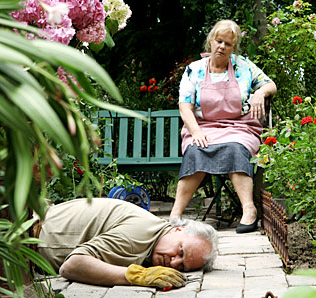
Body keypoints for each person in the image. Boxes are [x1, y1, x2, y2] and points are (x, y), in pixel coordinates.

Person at [169, 20, 277, 234]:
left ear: (233, 48)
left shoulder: (243, 65)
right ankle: (175, 214)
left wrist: (259, 93)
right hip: (203, 127)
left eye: (228, 44)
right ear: (211, 40)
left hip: (240, 127)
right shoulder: (194, 70)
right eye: (219, 41)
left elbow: (270, 84)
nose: (222, 47)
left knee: (235, 148)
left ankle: (249, 210)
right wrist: (196, 132)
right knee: (195, 150)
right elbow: (185, 107)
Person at [36, 198, 218, 288]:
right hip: (23, 230)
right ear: (178, 229)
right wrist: (137, 276)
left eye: (183, 268)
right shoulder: (140, 234)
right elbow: (72, 266)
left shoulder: (154, 236)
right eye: (180, 252)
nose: (174, 263)